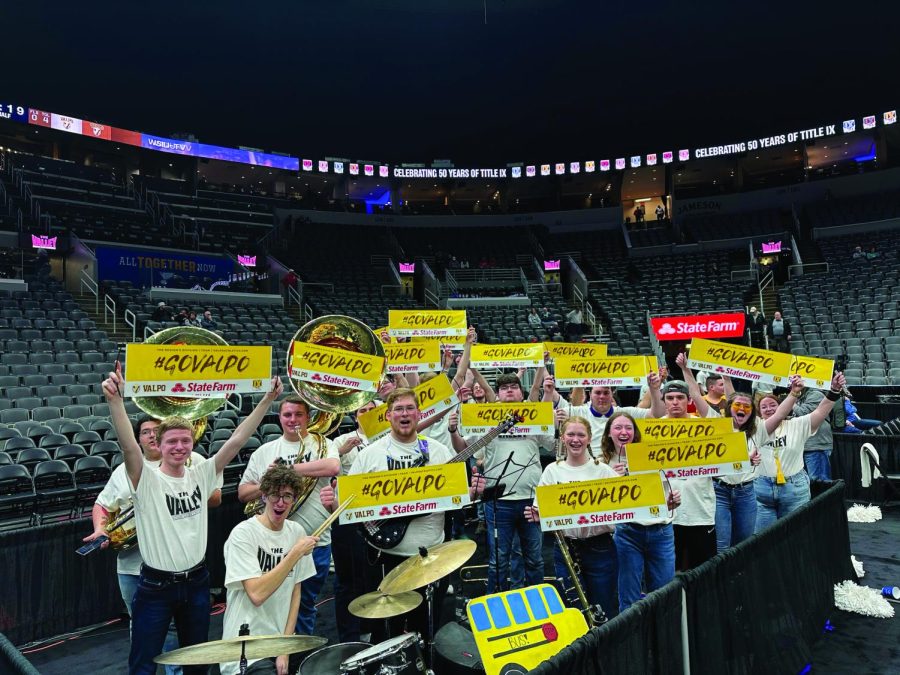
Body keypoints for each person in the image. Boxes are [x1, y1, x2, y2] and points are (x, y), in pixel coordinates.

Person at [102, 364, 281, 675]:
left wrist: (266, 400)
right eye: (172, 441)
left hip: (197, 583)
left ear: (192, 443)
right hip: (155, 586)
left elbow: (237, 440)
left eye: (185, 441)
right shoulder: (145, 479)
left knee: (197, 661)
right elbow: (129, 446)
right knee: (143, 663)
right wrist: (116, 402)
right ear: (158, 444)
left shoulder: (202, 472)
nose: (179, 447)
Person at [321, 388, 478, 644]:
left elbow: (455, 499)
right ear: (388, 416)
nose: (404, 414)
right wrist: (332, 505)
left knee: (427, 631)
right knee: (386, 633)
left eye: (409, 408)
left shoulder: (438, 451)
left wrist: (470, 494)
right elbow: (350, 505)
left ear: (418, 414)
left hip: (432, 556)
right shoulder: (369, 455)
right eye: (398, 409)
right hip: (386, 558)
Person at [238, 395, 340, 636]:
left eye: (298, 415)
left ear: (308, 418)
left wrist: (287, 470)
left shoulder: (323, 444)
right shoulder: (265, 452)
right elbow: (243, 493)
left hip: (316, 542)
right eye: (287, 415)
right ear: (279, 418)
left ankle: (298, 656)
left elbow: (333, 467)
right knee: (272, 603)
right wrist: (269, 483)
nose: (293, 420)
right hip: (274, 544)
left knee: (304, 605)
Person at [450, 373, 557, 594]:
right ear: (497, 394)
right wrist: (453, 430)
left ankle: (539, 604)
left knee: (535, 560)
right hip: (498, 502)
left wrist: (556, 421)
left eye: (514, 387)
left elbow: (553, 447)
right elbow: (463, 450)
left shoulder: (535, 417)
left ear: (521, 392)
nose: (509, 390)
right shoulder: (485, 418)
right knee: (498, 561)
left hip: (531, 500)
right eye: (504, 388)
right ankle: (495, 604)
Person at [220, 465, 318, 675]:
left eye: (287, 496)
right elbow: (257, 594)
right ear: (263, 496)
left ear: (295, 499)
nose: (280, 502)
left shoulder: (296, 531)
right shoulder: (243, 534)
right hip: (246, 648)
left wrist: (285, 647)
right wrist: (294, 554)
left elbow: (295, 593)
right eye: (274, 494)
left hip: (278, 642)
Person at [525, 417, 621, 619]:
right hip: (565, 548)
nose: (575, 440)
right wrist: (538, 516)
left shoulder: (603, 471)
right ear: (562, 438)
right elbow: (542, 510)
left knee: (604, 609)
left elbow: (628, 504)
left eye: (580, 435)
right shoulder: (552, 470)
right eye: (570, 434)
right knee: (574, 611)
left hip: (601, 548)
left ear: (589, 438)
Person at [598, 411, 681, 612]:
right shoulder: (601, 464)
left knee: (664, 595)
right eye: (618, 427)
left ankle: (662, 639)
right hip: (627, 534)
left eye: (628, 428)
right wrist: (611, 480)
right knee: (628, 598)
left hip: (661, 531)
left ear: (635, 433)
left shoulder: (652, 455)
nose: (624, 432)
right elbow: (600, 505)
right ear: (609, 433)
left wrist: (672, 501)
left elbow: (667, 492)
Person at [754, 372, 846, 530]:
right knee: (760, 539)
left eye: (773, 405)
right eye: (764, 407)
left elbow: (820, 411)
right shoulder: (755, 428)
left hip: (794, 489)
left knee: (795, 535)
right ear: (759, 412)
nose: (769, 409)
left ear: (782, 407)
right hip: (761, 490)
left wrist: (834, 391)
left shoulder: (797, 424)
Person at [329, 399, 379, 643]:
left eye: (372, 410)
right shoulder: (342, 440)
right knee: (347, 578)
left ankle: (375, 628)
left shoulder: (388, 437)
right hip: (347, 514)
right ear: (355, 415)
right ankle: (349, 636)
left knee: (375, 575)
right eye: (363, 410)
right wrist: (342, 450)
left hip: (380, 516)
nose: (368, 413)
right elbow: (330, 466)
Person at [542, 374, 664, 457]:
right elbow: (544, 420)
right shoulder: (576, 412)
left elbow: (657, 414)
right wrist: (548, 394)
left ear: (612, 394)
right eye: (598, 393)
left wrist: (654, 389)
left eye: (606, 393)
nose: (602, 396)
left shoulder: (624, 413)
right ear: (590, 394)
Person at [792, 385, 835, 481]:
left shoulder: (815, 395)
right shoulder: (801, 395)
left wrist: (791, 403)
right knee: (810, 482)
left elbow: (804, 413)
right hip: (806, 445)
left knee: (819, 482)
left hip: (816, 446)